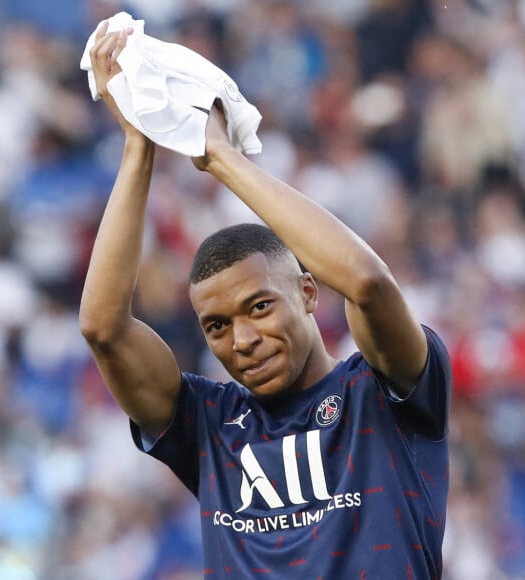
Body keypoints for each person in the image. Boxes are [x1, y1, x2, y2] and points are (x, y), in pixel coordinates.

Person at [80, 22, 452, 579]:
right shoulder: (209, 425)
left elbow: (368, 283)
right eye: (217, 326)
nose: (244, 340)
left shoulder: (384, 391)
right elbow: (104, 329)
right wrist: (139, 148)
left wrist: (220, 157)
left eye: (259, 307)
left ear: (307, 292)